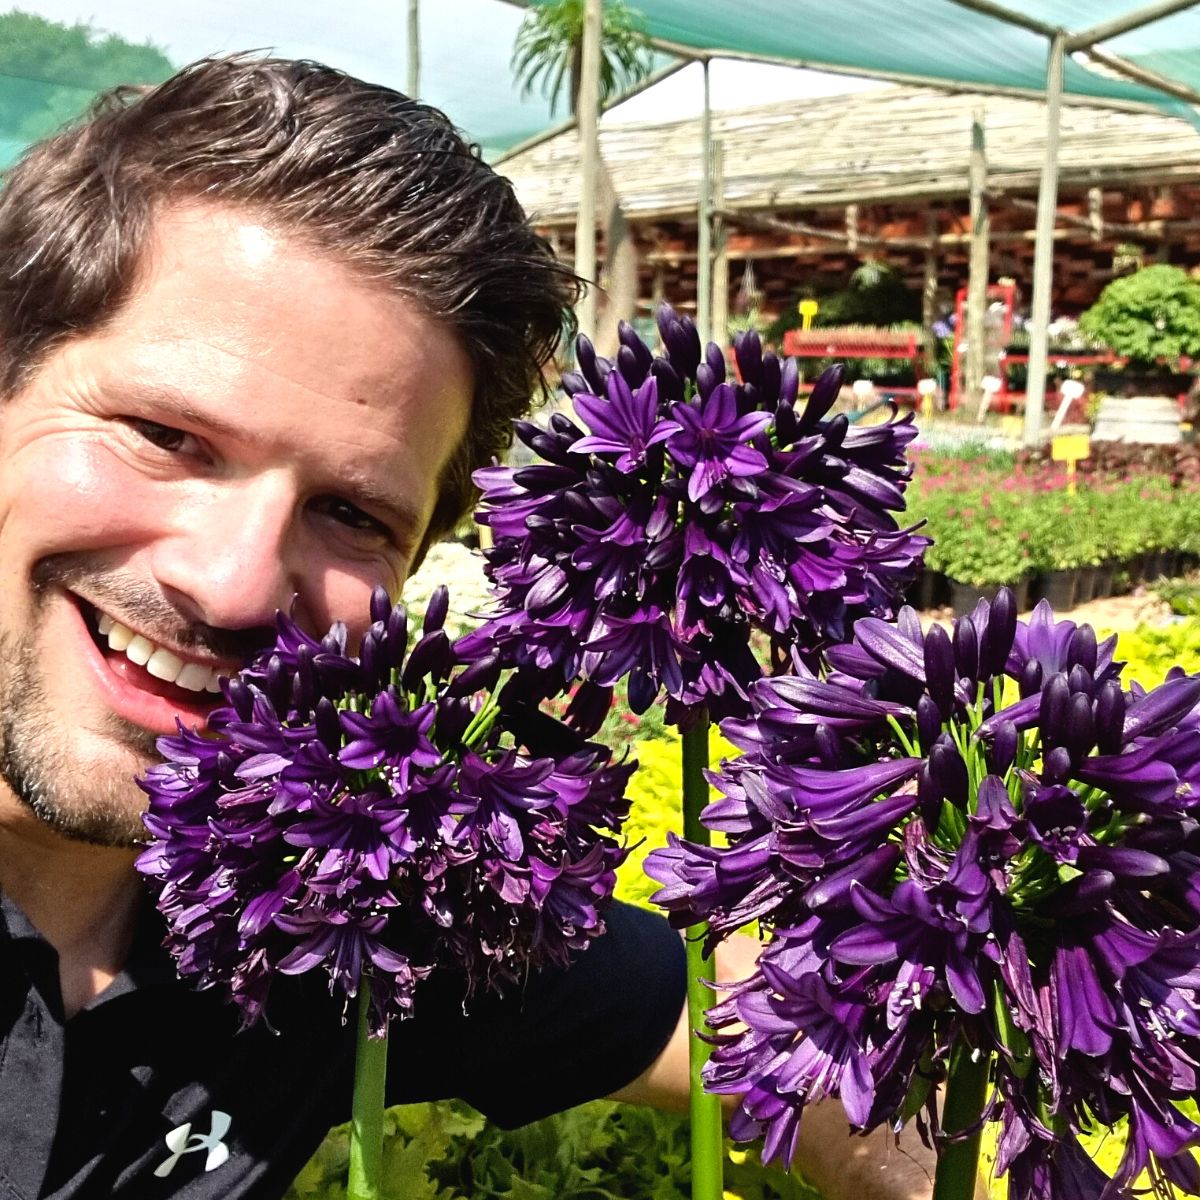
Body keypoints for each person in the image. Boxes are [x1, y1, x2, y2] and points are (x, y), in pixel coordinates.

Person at [0, 55, 945, 1199]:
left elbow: (790, 1044)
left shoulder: (350, 880)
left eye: (352, 513)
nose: (236, 585)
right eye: (165, 435)